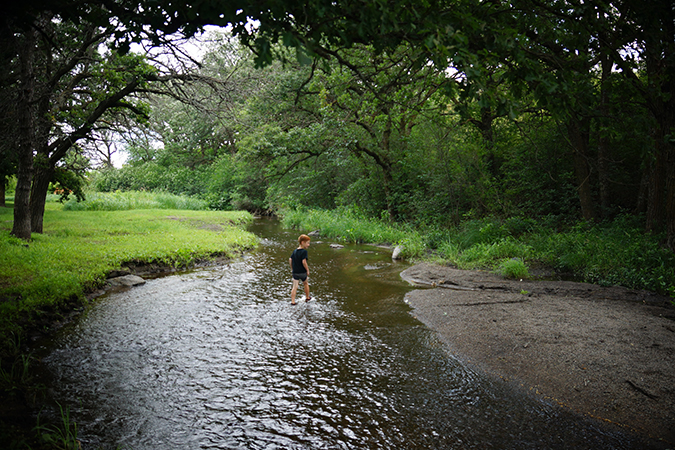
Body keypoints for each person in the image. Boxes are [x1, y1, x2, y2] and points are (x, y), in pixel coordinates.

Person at [289, 234, 311, 305]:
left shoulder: (295, 251)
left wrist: (292, 268)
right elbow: (304, 262)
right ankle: (307, 297)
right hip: (302, 272)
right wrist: (307, 270)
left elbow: (290, 259)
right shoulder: (304, 252)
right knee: (306, 284)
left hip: (295, 272)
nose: (308, 245)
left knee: (294, 287)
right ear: (302, 243)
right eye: (307, 243)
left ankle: (293, 301)